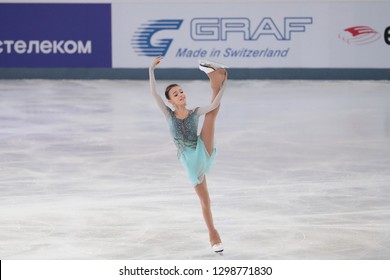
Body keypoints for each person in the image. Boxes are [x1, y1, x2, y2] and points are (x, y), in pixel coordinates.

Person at [149, 56, 227, 253]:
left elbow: (213, 106)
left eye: (181, 91)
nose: (181, 94)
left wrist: (225, 87)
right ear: (170, 100)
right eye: (176, 93)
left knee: (211, 116)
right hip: (189, 161)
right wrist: (151, 69)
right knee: (205, 201)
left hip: (201, 147)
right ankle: (213, 233)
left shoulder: (195, 112)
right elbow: (153, 93)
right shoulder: (168, 115)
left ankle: (217, 80)